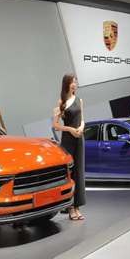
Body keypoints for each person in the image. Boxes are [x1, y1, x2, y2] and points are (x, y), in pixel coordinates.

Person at [51, 75, 86, 221]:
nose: (74, 84)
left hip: (79, 138)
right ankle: (70, 207)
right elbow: (55, 125)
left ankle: (77, 206)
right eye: (72, 82)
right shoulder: (62, 102)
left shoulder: (79, 100)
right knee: (70, 173)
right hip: (68, 140)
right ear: (66, 84)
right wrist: (70, 129)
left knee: (79, 172)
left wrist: (81, 127)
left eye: (75, 82)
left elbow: (82, 119)